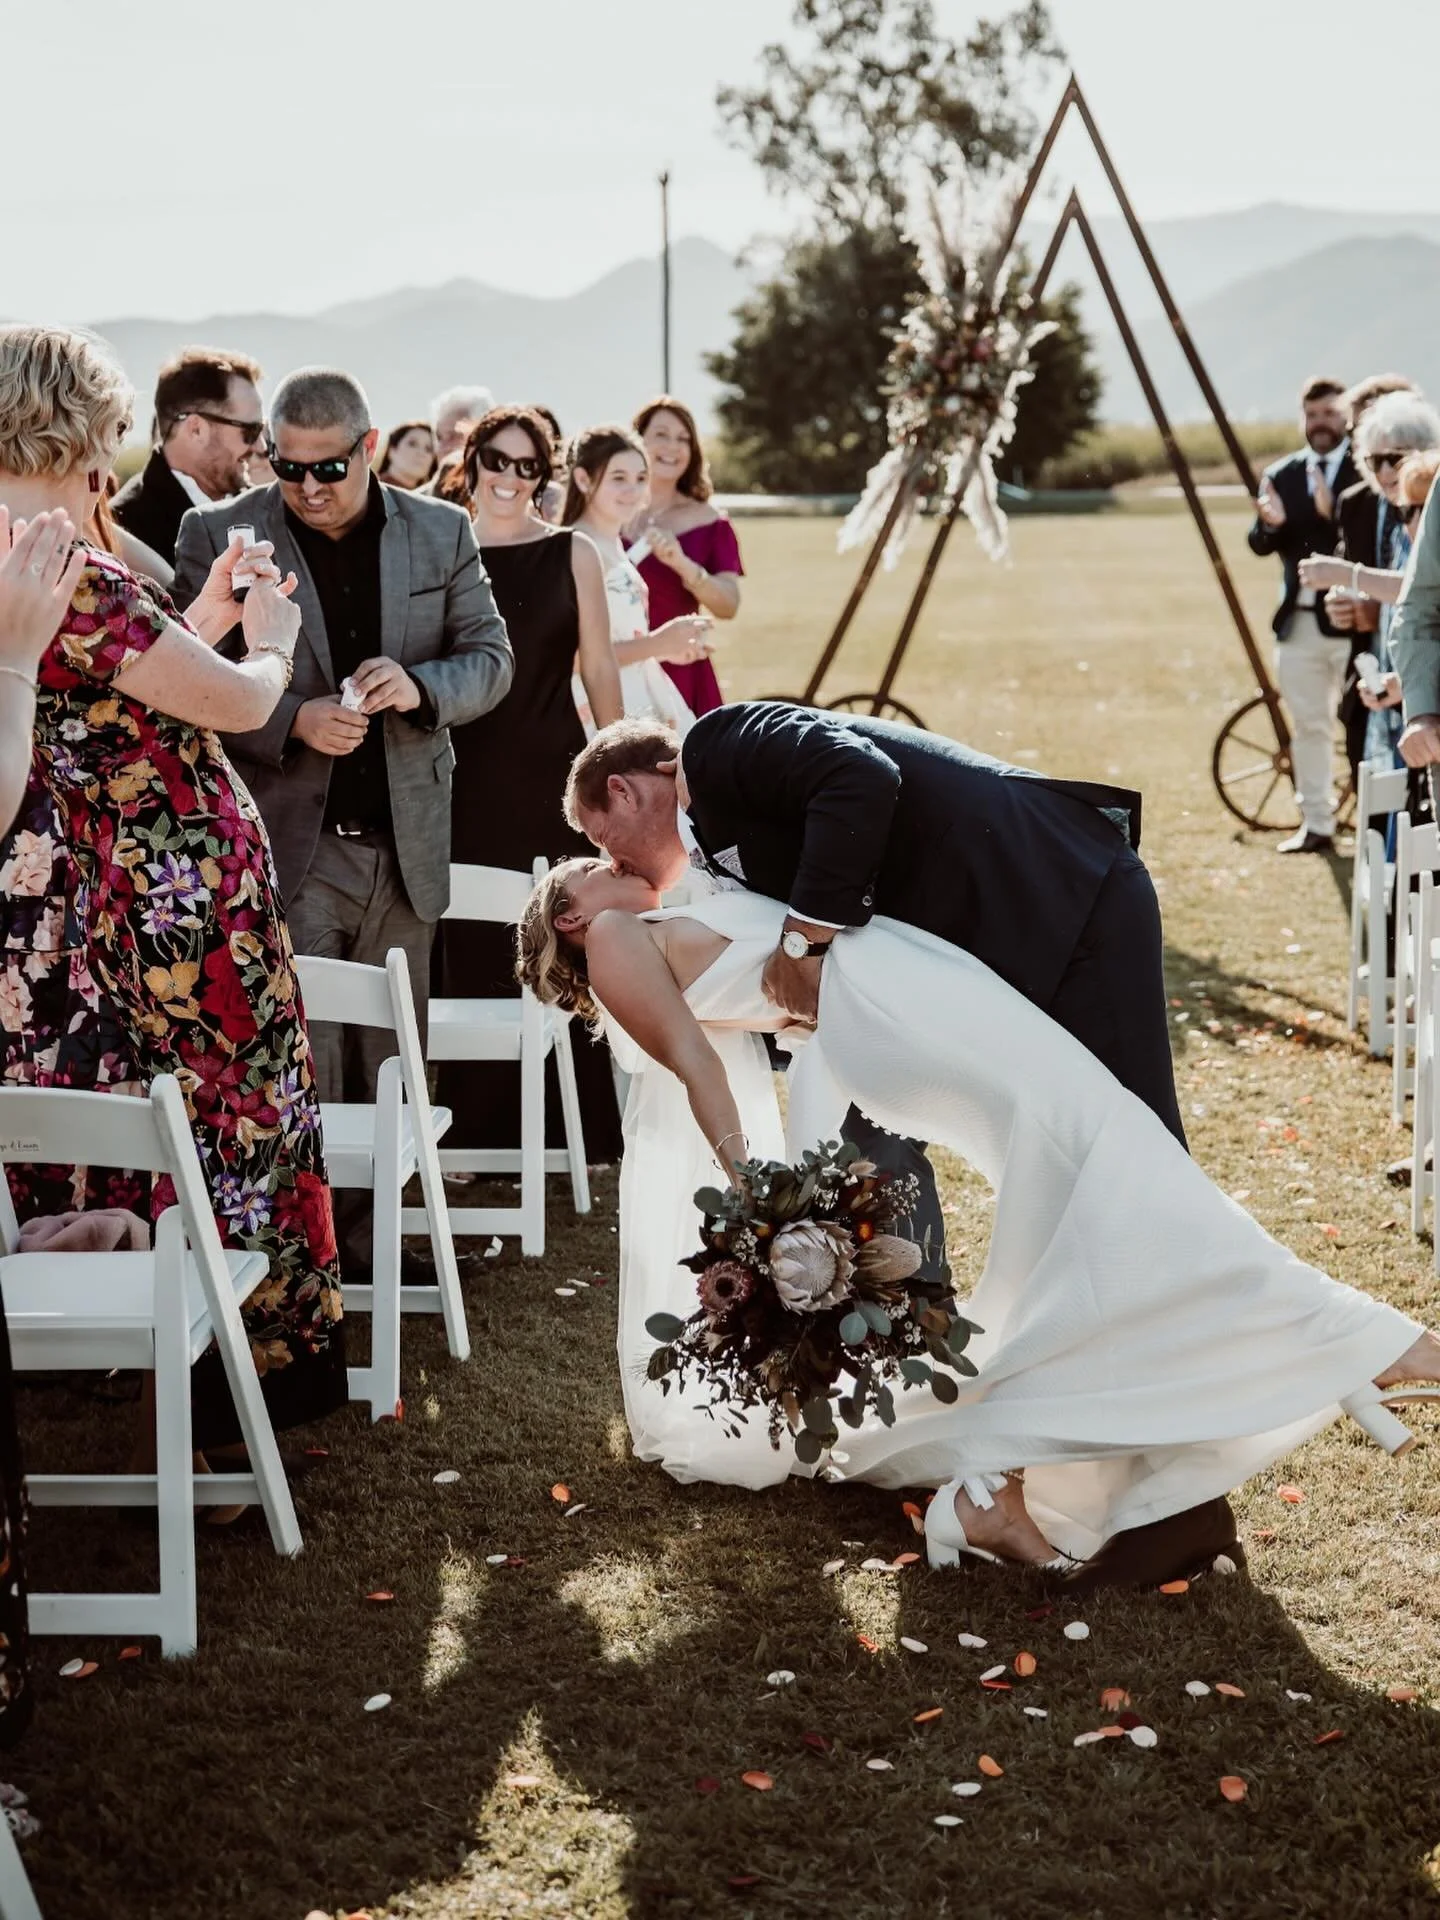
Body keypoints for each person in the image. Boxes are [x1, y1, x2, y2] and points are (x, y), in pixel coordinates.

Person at [515, 860, 1440, 1591]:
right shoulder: (611, 934)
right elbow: (693, 1061)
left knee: (1090, 1175)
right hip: (890, 1006)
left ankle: (993, 1487)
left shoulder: (675, 904)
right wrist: (757, 1190)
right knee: (1110, 1152)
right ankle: (1364, 1343)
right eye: (585, 867)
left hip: (893, 996)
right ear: (569, 914)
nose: (605, 864)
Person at [0, 322, 347, 1446]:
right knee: (236, 1121)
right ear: (74, 421)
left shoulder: (26, 561)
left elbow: (113, 689)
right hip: (184, 908)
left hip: (101, 896)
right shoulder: (70, 568)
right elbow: (239, 708)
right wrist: (275, 645)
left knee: (171, 1126)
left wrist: (201, 623)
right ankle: (235, 1394)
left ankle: (167, 1382)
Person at [174, 367, 514, 1281]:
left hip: (409, 845)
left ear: (367, 449)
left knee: (395, 1061)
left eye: (328, 469)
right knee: (311, 1064)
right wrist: (290, 722)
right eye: (288, 468)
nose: (308, 487)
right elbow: (186, 688)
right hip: (294, 844)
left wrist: (422, 687)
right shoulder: (218, 534)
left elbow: (492, 659)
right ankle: (305, 1267)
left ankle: (376, 1258)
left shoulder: (441, 530)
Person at [434, 407, 623, 1160]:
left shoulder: (571, 552)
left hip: (551, 772)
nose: (509, 478)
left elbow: (600, 666)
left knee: (561, 936)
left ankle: (578, 1131)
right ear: (472, 460)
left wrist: (618, 765)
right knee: (474, 937)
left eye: (527, 466)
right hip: (461, 775)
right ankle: (474, 1126)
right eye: (497, 461)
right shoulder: (439, 546)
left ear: (543, 476)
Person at [1248, 375, 1358, 854]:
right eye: (1313, 415)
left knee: (1361, 725)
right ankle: (1317, 823)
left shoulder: (1365, 468)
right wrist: (1271, 525)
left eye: (1331, 414)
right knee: (1309, 724)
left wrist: (1328, 512)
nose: (1321, 424)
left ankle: (1377, 820)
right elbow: (1258, 543)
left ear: (1347, 416)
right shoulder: (1284, 473)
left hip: (1356, 619)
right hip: (1299, 619)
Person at [1300, 395, 1440, 768]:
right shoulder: (1383, 510)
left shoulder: (1426, 513)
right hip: (1388, 679)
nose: (1383, 471)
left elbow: (1420, 592)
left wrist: (1349, 575)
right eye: (1372, 460)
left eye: (1393, 458)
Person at [562, 423, 712, 735]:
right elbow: (570, 658)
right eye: (619, 478)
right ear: (583, 479)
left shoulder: (614, 544)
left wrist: (666, 648)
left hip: (640, 693)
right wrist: (657, 643)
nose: (633, 490)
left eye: (641, 478)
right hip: (598, 708)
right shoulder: (576, 547)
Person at [626, 397, 742, 717]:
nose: (672, 446)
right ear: (637, 439)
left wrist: (682, 563)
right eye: (661, 434)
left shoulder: (710, 521)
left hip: (682, 671)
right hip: (616, 665)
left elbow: (728, 605)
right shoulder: (610, 511)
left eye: (683, 439)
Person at [1326, 374, 1417, 777]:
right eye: (1361, 437)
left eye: (1390, 452)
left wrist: (1367, 591)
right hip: (1368, 678)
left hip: (1418, 680)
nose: (1379, 464)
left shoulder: (1425, 500)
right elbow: (1343, 577)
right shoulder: (1354, 502)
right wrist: (1338, 604)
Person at [111, 346, 265, 566]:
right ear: (196, 429)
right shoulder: (124, 529)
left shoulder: (264, 509)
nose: (260, 446)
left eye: (262, 429)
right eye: (250, 431)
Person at [426, 383, 495, 498]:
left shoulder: (506, 499)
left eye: (454, 436)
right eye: (439, 438)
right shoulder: (412, 506)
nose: (442, 447)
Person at [376, 420, 437, 491]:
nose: (421, 453)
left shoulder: (431, 498)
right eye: (412, 444)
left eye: (428, 449)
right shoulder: (367, 490)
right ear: (392, 450)